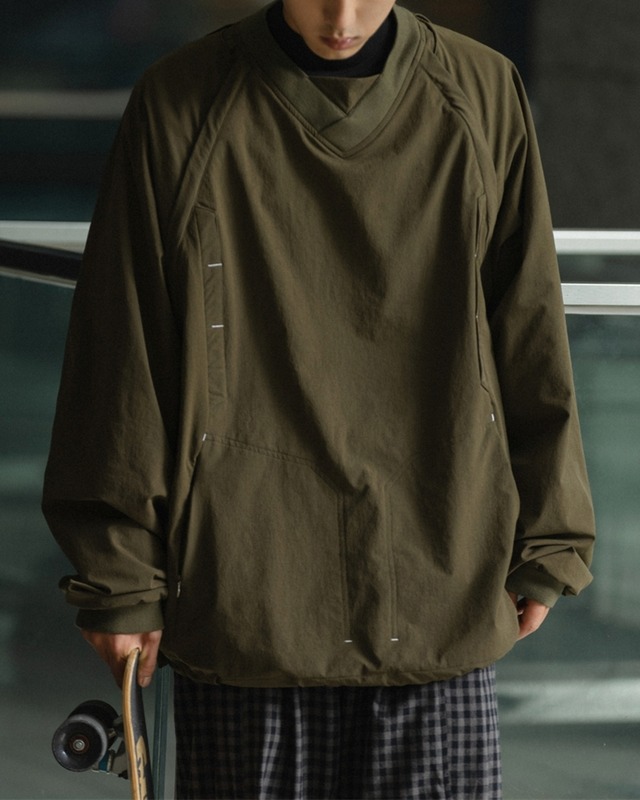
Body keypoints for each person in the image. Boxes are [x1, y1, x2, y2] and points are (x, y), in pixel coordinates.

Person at [43, 1, 596, 797]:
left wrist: (551, 535)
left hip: (438, 580)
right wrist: (119, 575)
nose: (341, 17)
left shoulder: (481, 91)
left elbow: (529, 326)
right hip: (243, 587)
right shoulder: (182, 99)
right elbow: (122, 355)